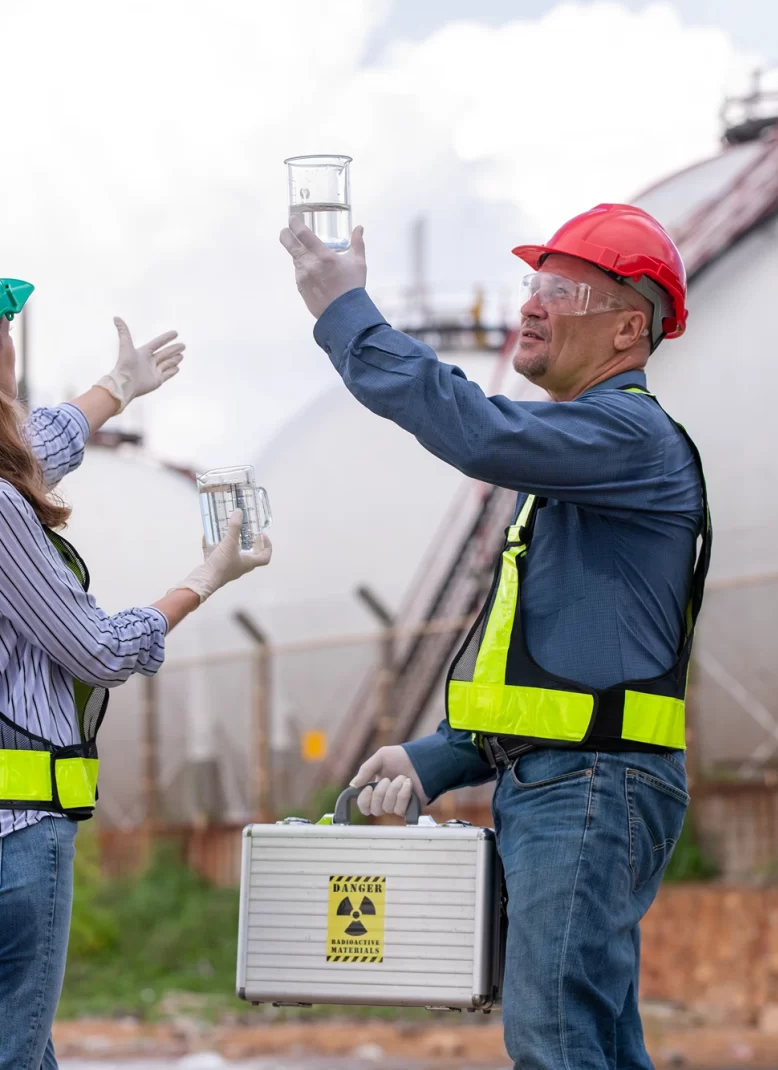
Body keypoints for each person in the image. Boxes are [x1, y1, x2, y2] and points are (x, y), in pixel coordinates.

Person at [280, 205, 709, 1070]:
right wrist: (435, 757)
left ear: (631, 328)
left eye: (562, 289)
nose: (532, 306)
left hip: (589, 789)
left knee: (556, 1041)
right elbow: (569, 678)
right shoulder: (582, 464)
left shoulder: (627, 435)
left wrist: (346, 314)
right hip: (572, 782)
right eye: (533, 285)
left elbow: (476, 428)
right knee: (590, 1039)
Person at [0, 280, 272, 1070]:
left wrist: (113, 390)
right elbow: (99, 653)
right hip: (16, 835)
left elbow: (33, 449)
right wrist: (202, 582)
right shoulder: (5, 510)